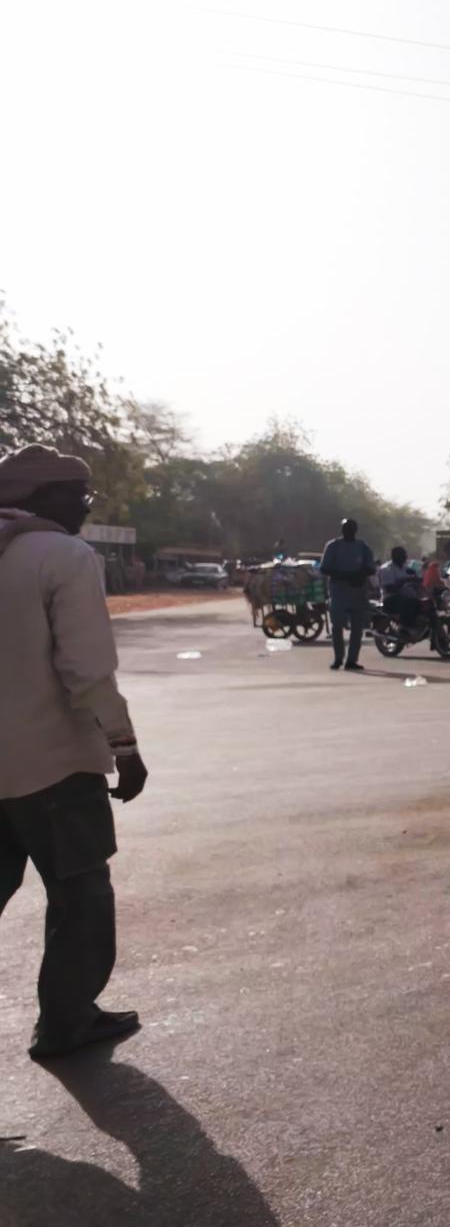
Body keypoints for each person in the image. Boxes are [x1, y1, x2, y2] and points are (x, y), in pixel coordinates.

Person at [0, 445, 149, 1060]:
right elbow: (86, 669)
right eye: (78, 494)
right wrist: (124, 746)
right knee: (81, 895)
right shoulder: (61, 555)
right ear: (42, 495)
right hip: (52, 763)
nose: (86, 507)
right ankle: (66, 1022)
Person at [319, 516, 376, 672]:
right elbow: (324, 568)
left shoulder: (362, 547)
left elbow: (371, 568)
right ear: (342, 530)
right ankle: (338, 658)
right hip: (339, 590)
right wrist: (343, 575)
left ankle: (352, 659)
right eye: (345, 528)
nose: (348, 531)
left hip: (358, 591)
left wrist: (358, 575)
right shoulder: (333, 546)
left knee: (357, 628)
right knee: (337, 626)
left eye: (351, 528)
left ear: (355, 530)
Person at [378, 546, 421, 632]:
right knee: (410, 604)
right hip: (391, 599)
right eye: (402, 555)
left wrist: (417, 580)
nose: (405, 557)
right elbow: (390, 589)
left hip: (409, 597)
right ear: (394, 556)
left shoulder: (406, 568)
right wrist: (405, 580)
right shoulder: (387, 569)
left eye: (405, 555)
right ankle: (404, 628)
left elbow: (416, 583)